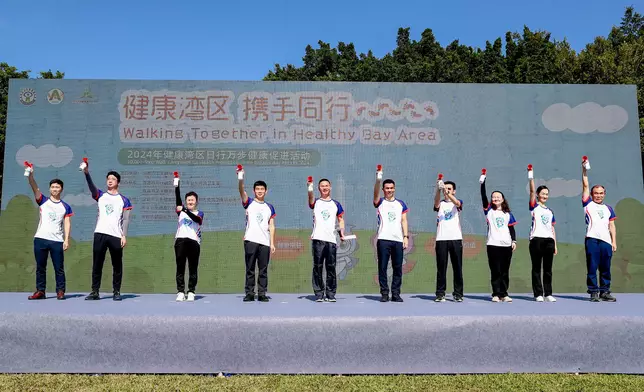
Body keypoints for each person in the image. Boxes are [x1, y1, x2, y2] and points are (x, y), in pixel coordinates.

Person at [82, 163, 132, 301]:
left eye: (113, 179)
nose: (110, 180)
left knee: (117, 265)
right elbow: (91, 187)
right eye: (108, 178)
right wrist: (86, 173)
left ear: (118, 183)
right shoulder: (100, 195)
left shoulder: (124, 200)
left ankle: (116, 291)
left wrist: (124, 235)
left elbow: (126, 220)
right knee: (97, 263)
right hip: (100, 233)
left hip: (116, 235)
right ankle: (95, 291)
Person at [26, 168, 73, 300]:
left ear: (61, 189)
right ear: (49, 189)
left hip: (57, 241)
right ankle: (40, 291)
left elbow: (67, 223)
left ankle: (60, 291)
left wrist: (66, 239)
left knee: (59, 268)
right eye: (52, 187)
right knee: (40, 267)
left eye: (57, 187)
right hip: (40, 239)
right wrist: (30, 176)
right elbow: (34, 187)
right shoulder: (43, 200)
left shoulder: (65, 206)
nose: (55, 189)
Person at [238, 167, 276, 302]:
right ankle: (249, 293)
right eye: (257, 189)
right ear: (254, 191)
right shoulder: (249, 202)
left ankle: (262, 293)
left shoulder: (269, 207)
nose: (260, 191)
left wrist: (272, 243)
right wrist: (240, 177)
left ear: (266, 191)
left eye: (262, 189)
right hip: (251, 240)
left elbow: (271, 225)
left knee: (263, 269)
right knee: (250, 269)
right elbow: (241, 190)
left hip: (265, 242)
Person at [582, 161, 617, 302]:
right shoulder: (588, 204)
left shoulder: (608, 208)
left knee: (606, 268)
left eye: (601, 193)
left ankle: (605, 291)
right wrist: (584, 169)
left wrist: (614, 241)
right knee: (592, 266)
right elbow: (585, 184)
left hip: (606, 241)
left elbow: (612, 226)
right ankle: (593, 292)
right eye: (596, 193)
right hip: (592, 239)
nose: (598, 195)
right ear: (591, 194)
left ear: (604, 194)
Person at [480, 171, 517, 302]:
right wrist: (482, 182)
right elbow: (483, 197)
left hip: (506, 245)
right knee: (495, 270)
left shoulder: (508, 214)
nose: (495, 198)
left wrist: (514, 241)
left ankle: (504, 293)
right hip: (493, 244)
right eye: (493, 197)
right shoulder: (489, 210)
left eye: (498, 197)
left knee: (505, 271)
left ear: (502, 199)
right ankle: (496, 294)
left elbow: (511, 228)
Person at [373, 169, 409, 303]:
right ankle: (384, 293)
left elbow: (404, 220)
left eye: (392, 188)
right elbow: (375, 193)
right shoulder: (380, 202)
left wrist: (406, 237)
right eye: (387, 188)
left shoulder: (400, 204)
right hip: (383, 239)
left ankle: (395, 293)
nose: (389, 190)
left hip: (398, 240)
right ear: (383, 189)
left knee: (397, 268)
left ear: (395, 189)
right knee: (382, 267)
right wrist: (378, 179)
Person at [307, 178, 345, 302]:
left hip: (331, 240)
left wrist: (342, 232)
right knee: (317, 266)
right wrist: (310, 188)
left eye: (327, 185)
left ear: (330, 187)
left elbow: (341, 220)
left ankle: (330, 294)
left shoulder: (336, 204)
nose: (325, 188)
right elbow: (310, 198)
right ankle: (319, 294)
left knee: (331, 267)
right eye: (322, 186)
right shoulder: (316, 202)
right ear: (319, 188)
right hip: (318, 239)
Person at [528, 167, 557, 302]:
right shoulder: (534, 207)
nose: (545, 196)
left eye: (547, 194)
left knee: (548, 268)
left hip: (549, 241)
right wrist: (531, 176)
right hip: (536, 240)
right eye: (542, 193)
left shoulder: (550, 211)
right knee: (536, 268)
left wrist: (555, 244)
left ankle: (548, 293)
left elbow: (552, 228)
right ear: (538, 195)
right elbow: (532, 191)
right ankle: (538, 294)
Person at [433, 177, 464, 302]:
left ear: (454, 191)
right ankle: (440, 293)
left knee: (457, 267)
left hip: (455, 238)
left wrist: (447, 194)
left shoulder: (457, 202)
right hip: (441, 239)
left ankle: (458, 294)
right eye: (445, 188)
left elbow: (457, 203)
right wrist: (438, 190)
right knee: (441, 267)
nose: (447, 191)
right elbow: (435, 203)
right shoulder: (440, 204)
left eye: (449, 189)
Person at [174, 175, 204, 302]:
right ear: (185, 201)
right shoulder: (180, 211)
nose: (190, 202)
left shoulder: (199, 213)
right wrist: (177, 185)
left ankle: (191, 291)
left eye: (192, 200)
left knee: (193, 267)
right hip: (180, 241)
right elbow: (177, 198)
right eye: (188, 200)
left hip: (194, 242)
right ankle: (180, 291)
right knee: (180, 267)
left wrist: (185, 210)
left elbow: (197, 220)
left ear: (196, 201)